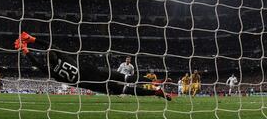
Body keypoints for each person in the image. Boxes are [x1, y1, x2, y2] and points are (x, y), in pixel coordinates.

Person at [14, 31, 171, 100]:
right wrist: (31, 39)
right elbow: (49, 45)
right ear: (55, 55)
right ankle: (153, 82)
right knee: (126, 77)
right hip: (94, 71)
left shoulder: (52, 73)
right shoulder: (63, 57)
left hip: (92, 84)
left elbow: (37, 64)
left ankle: (155, 93)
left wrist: (25, 51)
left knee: (125, 90)